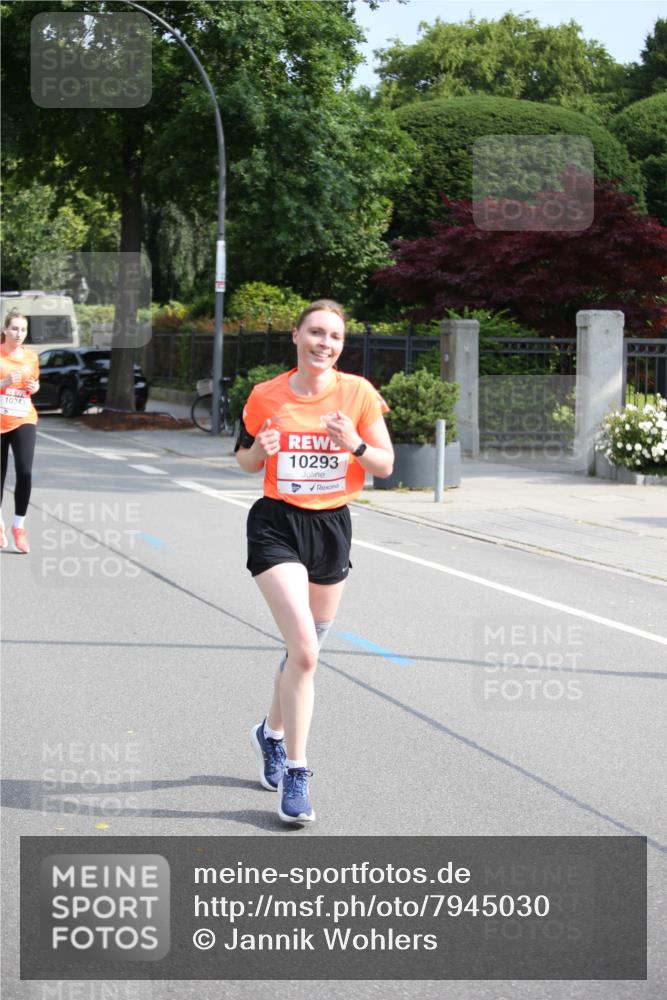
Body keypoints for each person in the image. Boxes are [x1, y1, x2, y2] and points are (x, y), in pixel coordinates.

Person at [235, 300, 394, 824]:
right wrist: (260, 447)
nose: (325, 343)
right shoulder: (266, 395)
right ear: (296, 336)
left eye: (335, 336)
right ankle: (297, 774)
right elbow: (244, 460)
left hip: (331, 528)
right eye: (316, 333)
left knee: (305, 651)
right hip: (276, 524)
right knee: (305, 652)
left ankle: (270, 733)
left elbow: (386, 465)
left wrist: (354, 446)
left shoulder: (358, 394)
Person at [0, 309, 40, 554]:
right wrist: (3, 383)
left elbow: (34, 384)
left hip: (24, 417)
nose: (19, 334)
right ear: (5, 329)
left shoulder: (31, 357)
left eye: (23, 329)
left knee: (25, 471)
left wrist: (35, 387)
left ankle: (19, 526)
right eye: (14, 328)